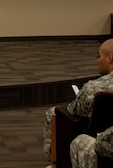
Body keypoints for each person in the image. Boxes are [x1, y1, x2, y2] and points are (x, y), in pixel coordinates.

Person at [43, 38, 113, 168]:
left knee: (54, 113)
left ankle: (56, 163)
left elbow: (72, 110)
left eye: (100, 56)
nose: (98, 60)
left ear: (110, 58)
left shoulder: (94, 87)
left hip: (101, 143)